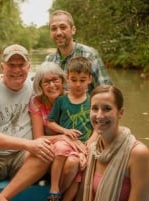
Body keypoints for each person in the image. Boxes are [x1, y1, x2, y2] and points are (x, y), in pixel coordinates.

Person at [0, 44, 55, 200]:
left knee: (46, 154)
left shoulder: (37, 89)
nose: (17, 70)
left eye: (21, 65)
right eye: (11, 65)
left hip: (20, 156)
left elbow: (62, 90)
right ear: (2, 67)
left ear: (29, 66)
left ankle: (3, 196)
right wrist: (28, 144)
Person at [77, 85, 149, 201]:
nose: (99, 115)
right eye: (94, 108)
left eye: (107, 109)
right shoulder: (93, 150)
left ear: (120, 113)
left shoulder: (138, 154)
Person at [29, 61, 83, 201]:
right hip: (49, 150)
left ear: (62, 80)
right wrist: (63, 137)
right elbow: (38, 138)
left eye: (55, 80)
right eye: (46, 82)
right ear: (40, 85)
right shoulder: (36, 102)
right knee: (70, 161)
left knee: (73, 162)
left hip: (74, 146)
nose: (52, 85)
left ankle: (57, 195)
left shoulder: (71, 98)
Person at [45, 56, 94, 201]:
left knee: (76, 176)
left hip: (84, 144)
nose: (78, 84)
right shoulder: (61, 101)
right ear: (67, 79)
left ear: (90, 79)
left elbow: (97, 127)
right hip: (66, 141)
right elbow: (50, 122)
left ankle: (62, 197)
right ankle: (54, 189)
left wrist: (88, 144)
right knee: (60, 147)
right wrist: (65, 131)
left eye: (82, 80)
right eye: (73, 80)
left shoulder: (92, 101)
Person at [46, 9, 113, 93]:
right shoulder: (49, 60)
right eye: (54, 29)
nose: (58, 32)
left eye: (63, 27)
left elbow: (107, 92)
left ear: (73, 30)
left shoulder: (90, 55)